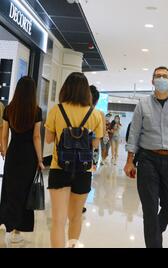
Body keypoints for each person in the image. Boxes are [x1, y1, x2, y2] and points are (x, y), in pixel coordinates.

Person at [124, 66, 168, 248]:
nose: (161, 78)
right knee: (150, 209)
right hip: (147, 159)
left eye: (164, 76)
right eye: (158, 76)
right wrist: (129, 160)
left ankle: (155, 229)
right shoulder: (142, 104)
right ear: (152, 80)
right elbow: (134, 133)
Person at [45, 72, 103, 248]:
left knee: (58, 220)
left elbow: (48, 138)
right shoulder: (95, 114)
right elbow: (94, 144)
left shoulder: (57, 109)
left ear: (66, 88)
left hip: (59, 168)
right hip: (83, 171)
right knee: (76, 216)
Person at [0, 77, 43, 244]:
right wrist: (40, 159)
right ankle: (17, 231)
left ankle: (6, 223)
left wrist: (4, 150)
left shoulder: (9, 109)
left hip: (13, 154)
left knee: (10, 190)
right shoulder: (36, 111)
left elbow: (4, 134)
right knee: (25, 192)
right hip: (29, 156)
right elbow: (37, 137)